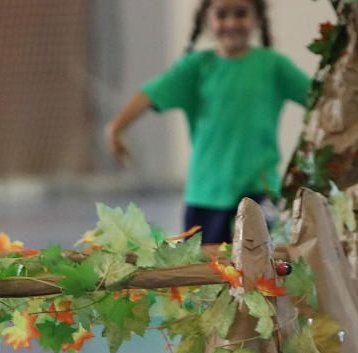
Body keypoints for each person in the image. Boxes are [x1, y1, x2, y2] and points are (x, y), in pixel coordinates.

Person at [104, 0, 310, 244]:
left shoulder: (273, 65)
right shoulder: (196, 67)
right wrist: (115, 128)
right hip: (206, 194)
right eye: (222, 15)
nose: (232, 23)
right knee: (205, 273)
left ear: (257, 18)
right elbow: (149, 95)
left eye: (241, 14)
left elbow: (318, 97)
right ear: (207, 20)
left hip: (260, 190)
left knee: (262, 269)